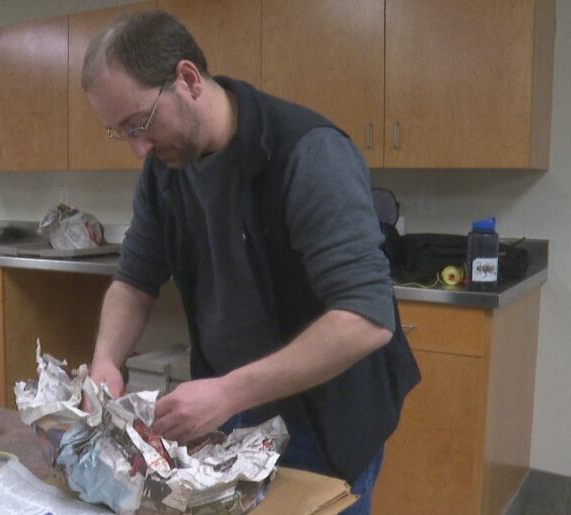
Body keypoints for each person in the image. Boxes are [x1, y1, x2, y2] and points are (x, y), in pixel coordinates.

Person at [81, 9, 420, 514]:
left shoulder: (307, 153)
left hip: (325, 417)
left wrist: (226, 393)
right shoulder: (164, 170)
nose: (138, 148)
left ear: (189, 79)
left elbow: (366, 318)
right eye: (121, 133)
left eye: (140, 124)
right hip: (234, 407)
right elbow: (134, 282)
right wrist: (105, 362)